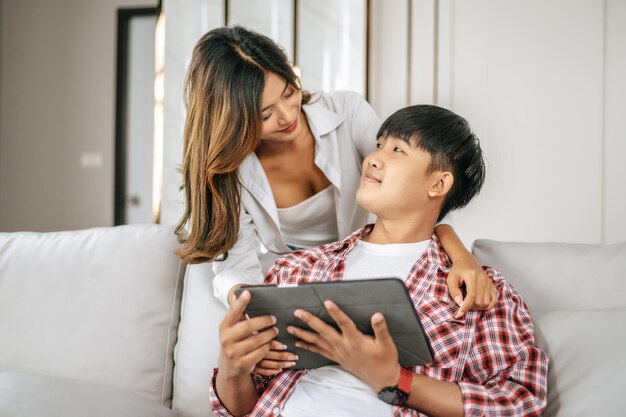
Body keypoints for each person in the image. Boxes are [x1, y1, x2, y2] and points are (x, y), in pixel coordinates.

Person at [174, 25, 496, 372]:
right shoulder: (229, 171)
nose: (286, 115)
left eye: (288, 92)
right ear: (232, 119)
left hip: (363, 261)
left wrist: (463, 257)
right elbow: (236, 267)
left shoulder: (346, 111)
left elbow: (412, 192)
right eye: (265, 114)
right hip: (296, 280)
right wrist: (261, 325)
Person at [210, 105, 549, 417]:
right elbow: (239, 409)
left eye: (398, 150)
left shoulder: (475, 290)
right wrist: (232, 367)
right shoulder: (298, 269)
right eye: (379, 145)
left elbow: (520, 402)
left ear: (439, 183)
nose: (372, 158)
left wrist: (397, 380)